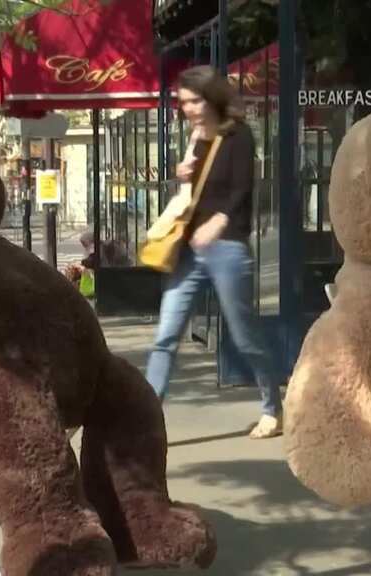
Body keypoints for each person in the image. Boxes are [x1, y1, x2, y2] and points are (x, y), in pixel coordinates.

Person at [145, 65, 284, 439]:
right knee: (166, 334)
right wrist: (183, 174)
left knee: (244, 337)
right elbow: (192, 195)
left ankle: (273, 408)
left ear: (212, 97)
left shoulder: (237, 136)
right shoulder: (194, 136)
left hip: (226, 249)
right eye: (183, 102)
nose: (188, 108)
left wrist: (219, 222)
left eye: (194, 101)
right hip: (188, 249)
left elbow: (242, 189)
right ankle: (143, 416)